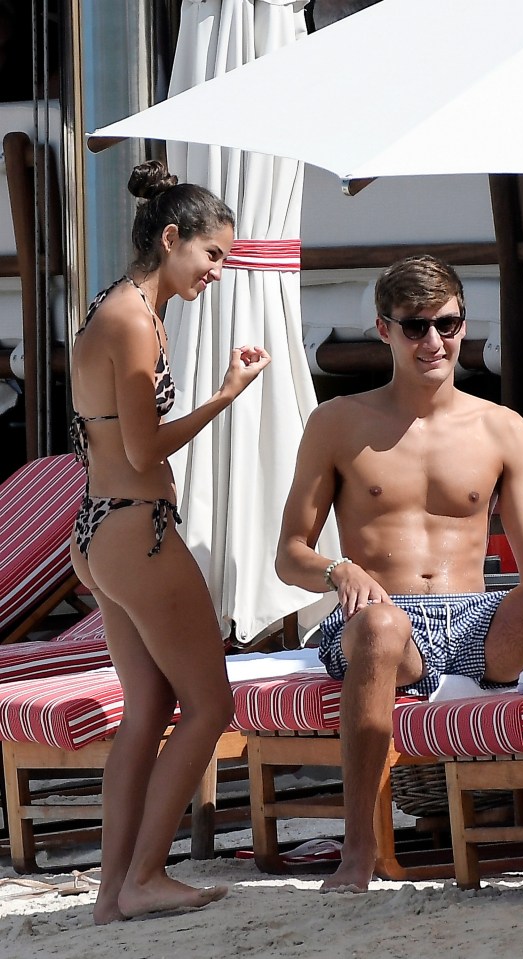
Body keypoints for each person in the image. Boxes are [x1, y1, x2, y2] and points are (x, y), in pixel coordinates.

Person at [275, 253, 523, 893]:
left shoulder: (502, 427)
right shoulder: (338, 423)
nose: (433, 342)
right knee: (381, 626)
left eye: (446, 325)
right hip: (378, 626)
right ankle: (360, 849)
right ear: (383, 330)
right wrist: (339, 570)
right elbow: (290, 554)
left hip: (475, 623)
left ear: (464, 326)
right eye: (415, 327)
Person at [69, 159, 271, 924]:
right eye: (213, 254)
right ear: (172, 236)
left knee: (148, 707)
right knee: (210, 701)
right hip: (135, 527)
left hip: (102, 529)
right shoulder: (131, 319)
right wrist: (225, 395)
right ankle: (146, 874)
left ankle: (112, 891)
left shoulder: (115, 310)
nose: (218, 271)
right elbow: (147, 451)